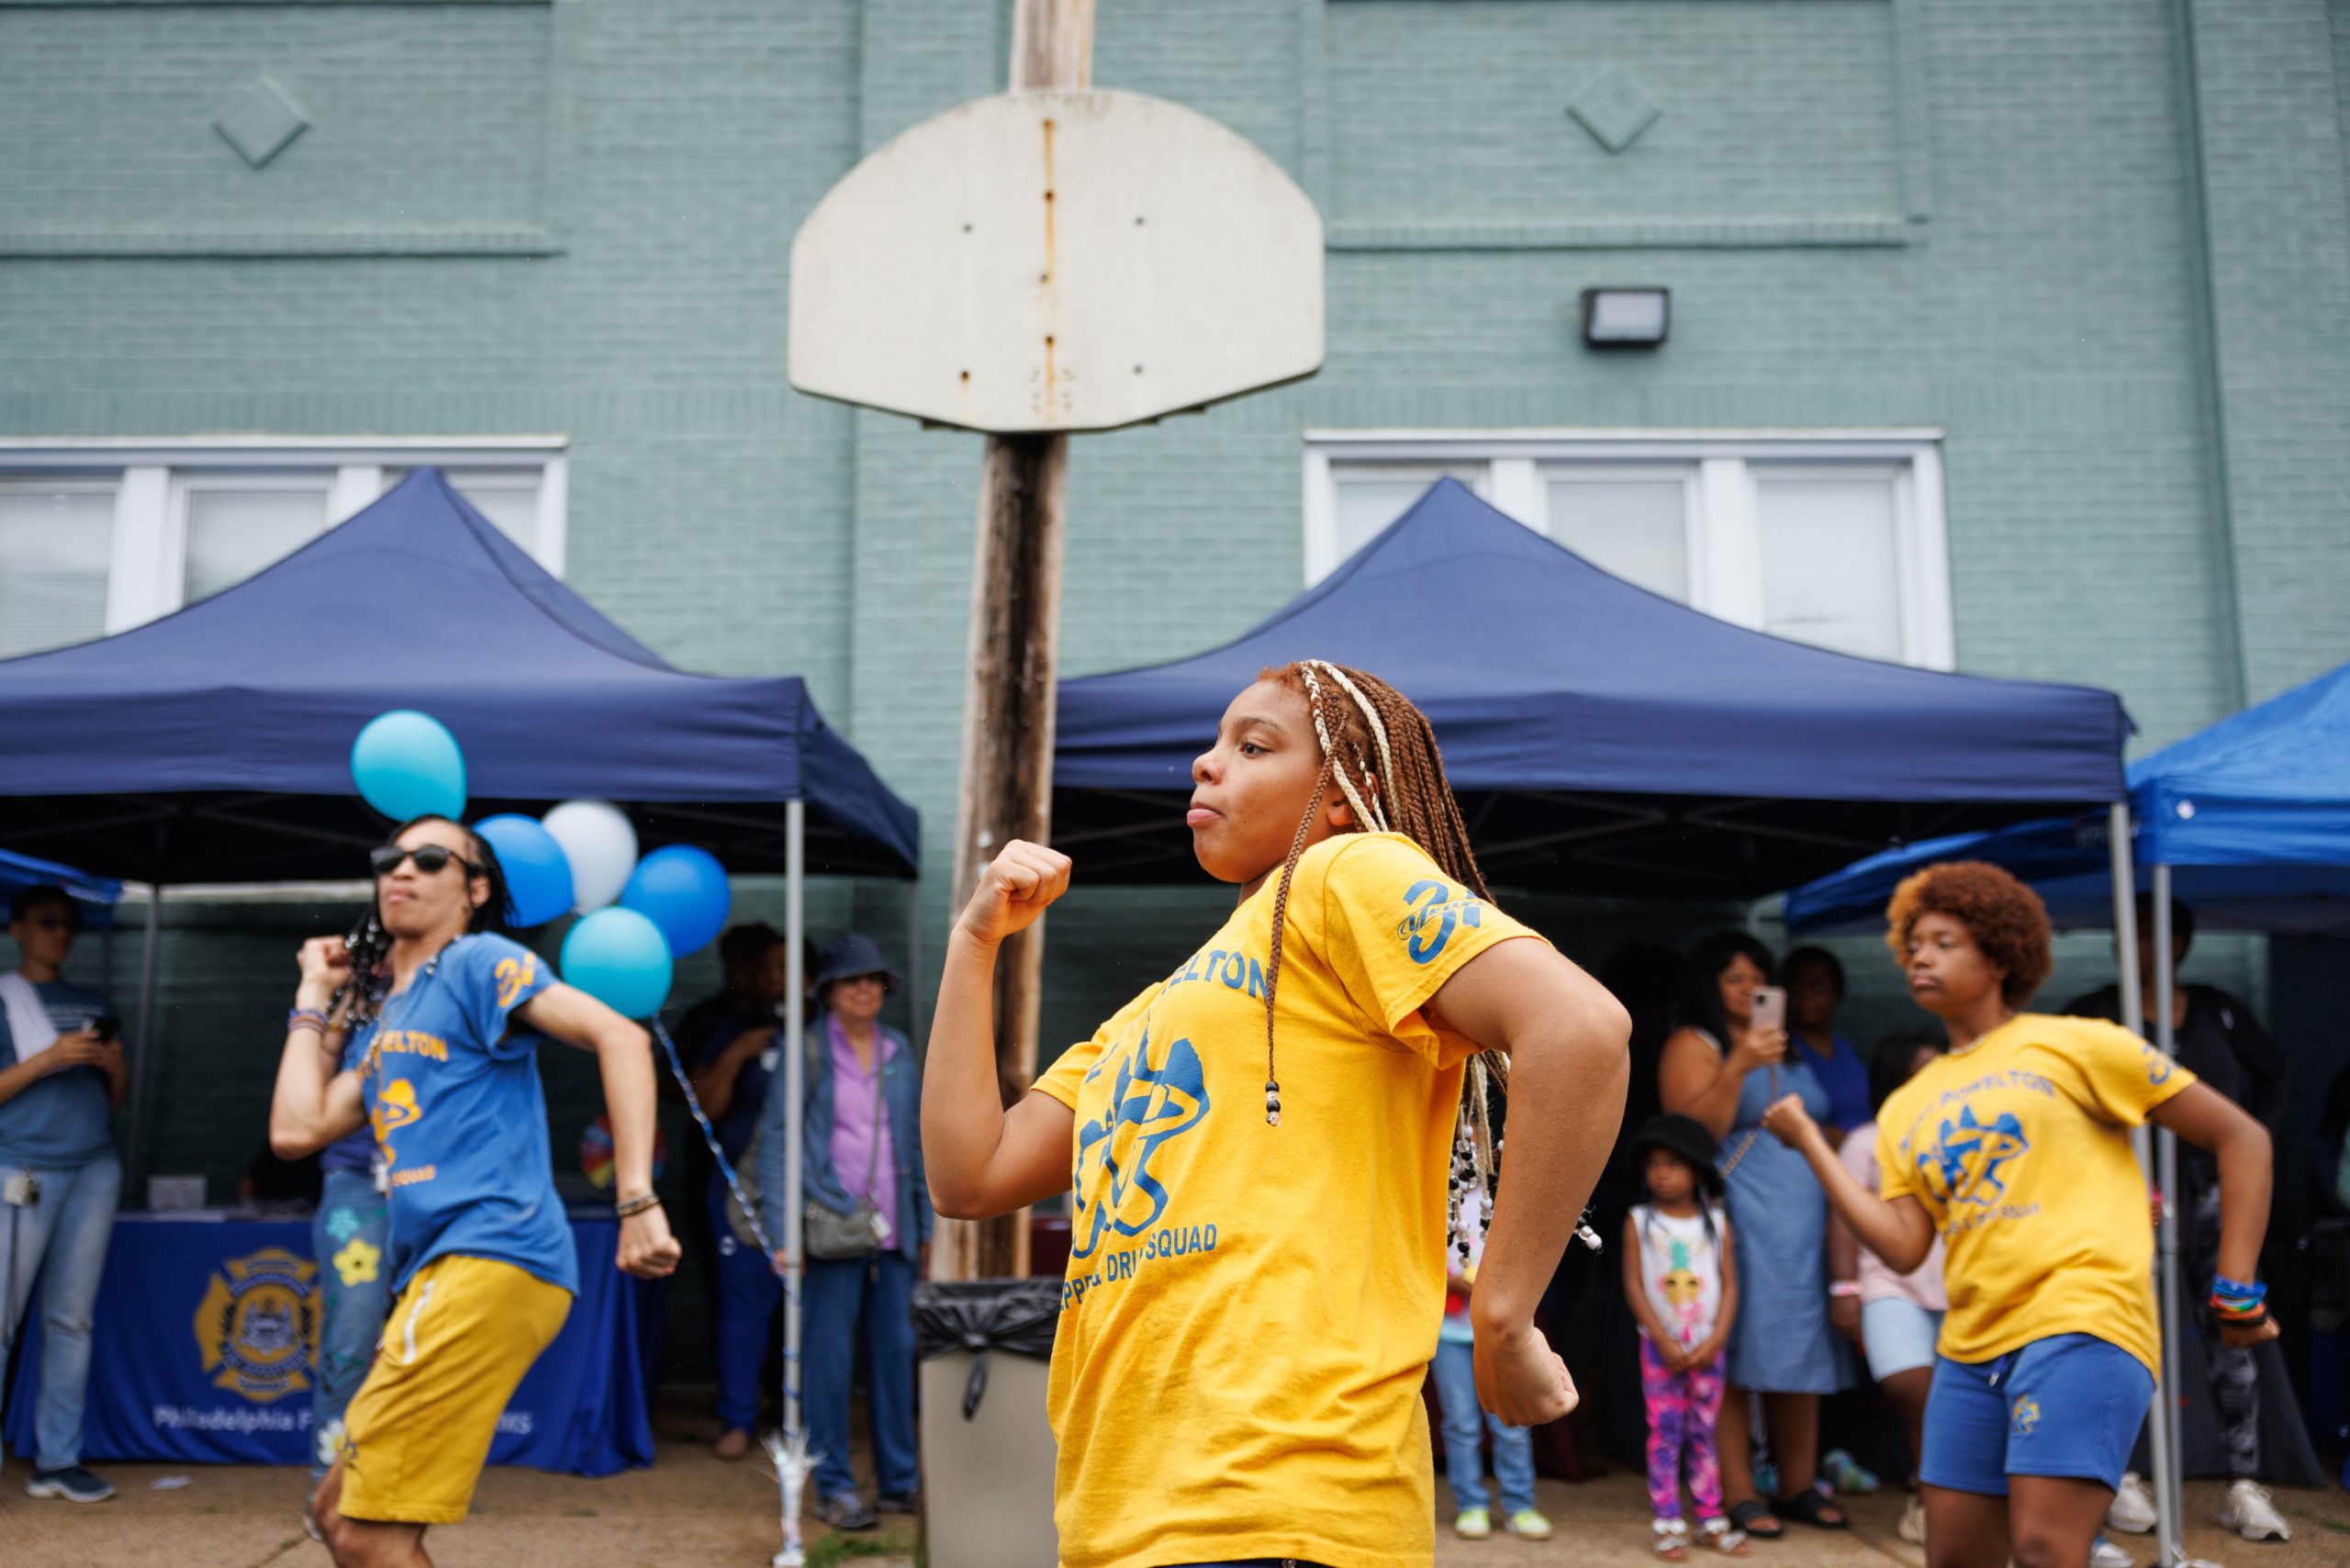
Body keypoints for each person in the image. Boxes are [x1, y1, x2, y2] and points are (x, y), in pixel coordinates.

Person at [922, 659, 1632, 1568]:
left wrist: (1502, 1314)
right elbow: (968, 1174)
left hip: (1284, 1507)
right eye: (1214, 744)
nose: (1204, 763)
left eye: (1253, 746)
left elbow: (1578, 1030)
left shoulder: (1343, 872)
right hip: (1118, 1521)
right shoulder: (1148, 1017)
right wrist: (972, 941)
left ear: (1342, 793)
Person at [1761, 860, 2279, 1568]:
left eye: (1944, 942)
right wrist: (1812, 1148)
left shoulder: (2078, 1044)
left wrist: (2236, 1289)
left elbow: (2242, 1138)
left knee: (2044, 1549)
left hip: (2081, 1320)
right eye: (1913, 944)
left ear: (2001, 956)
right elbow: (1905, 1247)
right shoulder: (1907, 1105)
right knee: (1955, 1555)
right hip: (1970, 1346)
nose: (1919, 957)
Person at [269, 815, 679, 1568]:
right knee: (333, 1513)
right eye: (391, 858)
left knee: (366, 1535)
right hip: (437, 1271)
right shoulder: (389, 1016)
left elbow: (621, 1037)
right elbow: (298, 1129)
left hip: (491, 1255)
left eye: (430, 859)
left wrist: (636, 1200)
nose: (402, 870)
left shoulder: (478, 961)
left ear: (476, 890)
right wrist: (313, 992)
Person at [2064, 895, 2293, 1544]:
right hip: (2127, 1196)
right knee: (2120, 1333)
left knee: (2230, 1327)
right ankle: (2120, 1474)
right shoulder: (2093, 1013)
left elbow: (2274, 1072)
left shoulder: (2218, 1009)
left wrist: (2253, 1142)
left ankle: (2243, 1484)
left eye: (2149, 933)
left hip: (2212, 1199)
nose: (2134, 945)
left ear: (2179, 942)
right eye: (2126, 933)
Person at [1658, 932, 1849, 1539]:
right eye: (1735, 978)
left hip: (1804, 1226)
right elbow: (1689, 1136)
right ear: (1710, 984)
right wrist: (1739, 1064)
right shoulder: (1696, 1043)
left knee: (1800, 1345)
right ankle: (1736, 1490)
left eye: (1758, 977)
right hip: (1742, 1219)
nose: (1750, 989)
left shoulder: (1784, 1045)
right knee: (1737, 1352)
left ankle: (1798, 1483)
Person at [757, 932, 930, 1532]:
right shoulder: (805, 1048)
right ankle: (834, 1486)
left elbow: (916, 1138)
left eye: (874, 978)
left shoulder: (898, 1048)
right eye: (851, 979)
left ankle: (899, 1482)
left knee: (896, 1356)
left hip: (894, 1232)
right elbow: (777, 1140)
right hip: (828, 1229)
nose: (865, 988)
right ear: (828, 991)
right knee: (826, 1365)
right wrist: (782, 1233)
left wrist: (925, 1220)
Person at [0, 884, 128, 1505]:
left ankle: (58, 1461)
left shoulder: (93, 1001)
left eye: (70, 924)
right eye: (49, 922)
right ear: (17, 928)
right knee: (2, 1318)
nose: (62, 933)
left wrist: (113, 1066)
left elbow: (115, 1101)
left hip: (93, 1168)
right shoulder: (5, 996)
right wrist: (48, 1058)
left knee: (72, 1319)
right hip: (20, 1170)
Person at [1827, 1030, 1947, 1547]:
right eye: (1923, 1071)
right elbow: (1843, 1218)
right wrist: (1845, 1287)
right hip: (1888, 1283)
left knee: (1960, 1399)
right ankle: (1931, 1495)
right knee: (1912, 1386)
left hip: (1964, 1288)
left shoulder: (1964, 1134)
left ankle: (1939, 1499)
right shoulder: (1866, 1140)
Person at [688, 928, 792, 1460]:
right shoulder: (731, 1030)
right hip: (738, 1192)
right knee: (742, 1305)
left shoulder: (824, 1034)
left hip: (808, 1193)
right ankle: (738, 1418)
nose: (774, 980)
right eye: (767, 969)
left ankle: (797, 1414)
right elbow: (702, 1108)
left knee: (809, 1309)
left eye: (785, 969)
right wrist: (736, 1055)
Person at [1623, 1114, 1745, 1560]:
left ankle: (1710, 1517)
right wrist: (1661, 1339)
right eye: (1653, 1164)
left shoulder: (1717, 1222)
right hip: (1660, 1348)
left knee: (1704, 1432)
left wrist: (1716, 1340)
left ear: (1696, 1169)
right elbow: (1634, 1284)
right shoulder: (1639, 1221)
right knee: (1665, 1431)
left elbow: (1729, 1284)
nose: (1661, 1173)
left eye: (1673, 1164)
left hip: (1707, 1347)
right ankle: (1667, 1521)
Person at [671, 922, 787, 1355]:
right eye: (733, 963)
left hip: (790, 1182)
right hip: (721, 1177)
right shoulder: (715, 1021)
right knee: (733, 1291)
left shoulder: (806, 1026)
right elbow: (689, 1099)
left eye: (753, 964)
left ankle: (778, 1388)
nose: (742, 973)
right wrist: (737, 1053)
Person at [1432, 1182, 1551, 1542]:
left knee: (1511, 1423)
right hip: (1449, 1332)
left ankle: (1519, 1506)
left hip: (1502, 1335)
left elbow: (1528, 1257)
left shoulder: (1507, 1193)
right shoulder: (1435, 1191)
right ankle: (1471, 1505)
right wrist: (1452, 1282)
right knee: (1461, 1424)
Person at [1785, 947, 1871, 1145]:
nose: (1806, 996)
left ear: (1837, 994)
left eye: (1818, 987)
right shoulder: (1783, 1050)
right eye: (1795, 989)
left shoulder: (1845, 1048)